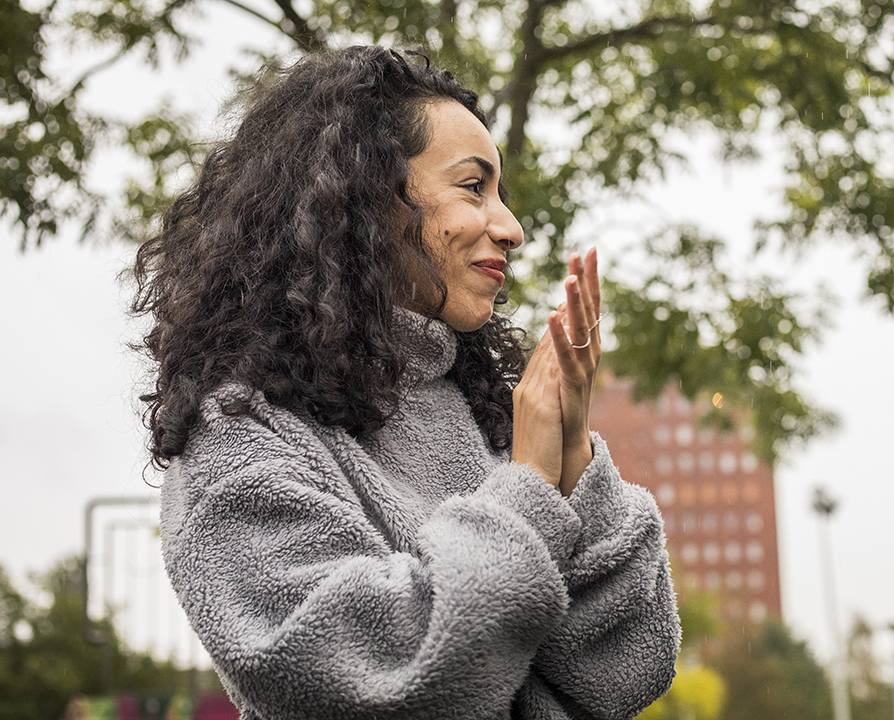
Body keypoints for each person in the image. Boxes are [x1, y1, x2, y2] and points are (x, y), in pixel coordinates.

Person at [132, 45, 679, 720]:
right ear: (364, 199)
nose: (511, 227)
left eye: (500, 194)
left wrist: (573, 464)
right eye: (473, 186)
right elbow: (383, 677)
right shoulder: (241, 439)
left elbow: (624, 672)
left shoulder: (490, 417)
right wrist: (533, 486)